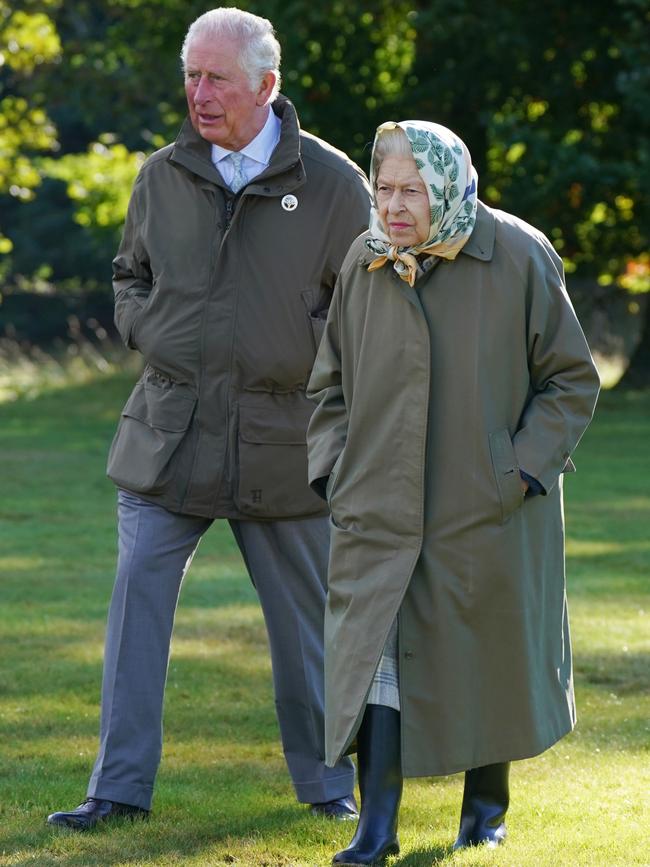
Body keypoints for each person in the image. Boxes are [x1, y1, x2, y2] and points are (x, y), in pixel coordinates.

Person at [47, 7, 371, 831]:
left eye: (214, 77)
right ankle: (116, 790)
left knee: (308, 634)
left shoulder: (334, 185)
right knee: (134, 615)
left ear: (266, 85)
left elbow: (366, 311)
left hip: (283, 444)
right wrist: (146, 328)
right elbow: (130, 273)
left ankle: (329, 787)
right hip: (168, 436)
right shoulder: (161, 174)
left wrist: (307, 352)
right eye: (190, 75)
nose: (198, 92)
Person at [306, 119, 600, 863]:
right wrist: (334, 466)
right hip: (376, 503)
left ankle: (486, 808)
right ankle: (376, 826)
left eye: (411, 189)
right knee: (376, 655)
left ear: (446, 184)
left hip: (485, 505)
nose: (395, 206)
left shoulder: (519, 254)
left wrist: (521, 471)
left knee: (484, 651)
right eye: (384, 188)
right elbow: (329, 382)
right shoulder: (365, 257)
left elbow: (571, 380)